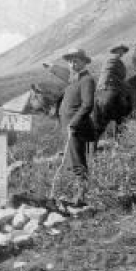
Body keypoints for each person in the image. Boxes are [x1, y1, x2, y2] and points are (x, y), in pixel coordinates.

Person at [59, 48, 96, 205]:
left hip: (76, 127)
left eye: (76, 61)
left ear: (83, 62)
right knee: (71, 161)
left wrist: (73, 122)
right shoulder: (74, 80)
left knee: (78, 162)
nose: (72, 64)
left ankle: (82, 197)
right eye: (70, 61)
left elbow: (87, 105)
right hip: (68, 126)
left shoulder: (87, 80)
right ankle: (76, 194)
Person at [93, 44, 129, 140]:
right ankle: (119, 140)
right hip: (111, 89)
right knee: (123, 115)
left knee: (98, 124)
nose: (121, 52)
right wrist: (104, 86)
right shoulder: (113, 60)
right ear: (115, 51)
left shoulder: (117, 61)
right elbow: (108, 74)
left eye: (122, 51)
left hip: (105, 89)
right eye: (119, 50)